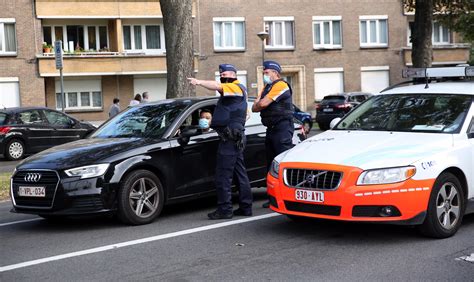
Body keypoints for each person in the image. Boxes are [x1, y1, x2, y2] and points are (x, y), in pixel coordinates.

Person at [188, 64, 252, 219]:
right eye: (221, 74)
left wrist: (199, 82)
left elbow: (217, 86)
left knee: (223, 175)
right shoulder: (234, 92)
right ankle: (246, 207)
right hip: (234, 138)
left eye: (224, 74)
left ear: (232, 74)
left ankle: (225, 209)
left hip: (230, 139)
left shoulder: (236, 87)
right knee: (240, 174)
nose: (222, 76)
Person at [252, 60, 294, 208]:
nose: (264, 75)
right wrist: (260, 103)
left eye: (266, 72)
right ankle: (273, 197)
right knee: (271, 165)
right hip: (271, 129)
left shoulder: (281, 85)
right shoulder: (266, 87)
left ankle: (286, 197)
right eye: (264, 72)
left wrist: (261, 103)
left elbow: (261, 104)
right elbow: (254, 107)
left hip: (282, 128)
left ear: (275, 72)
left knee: (282, 164)